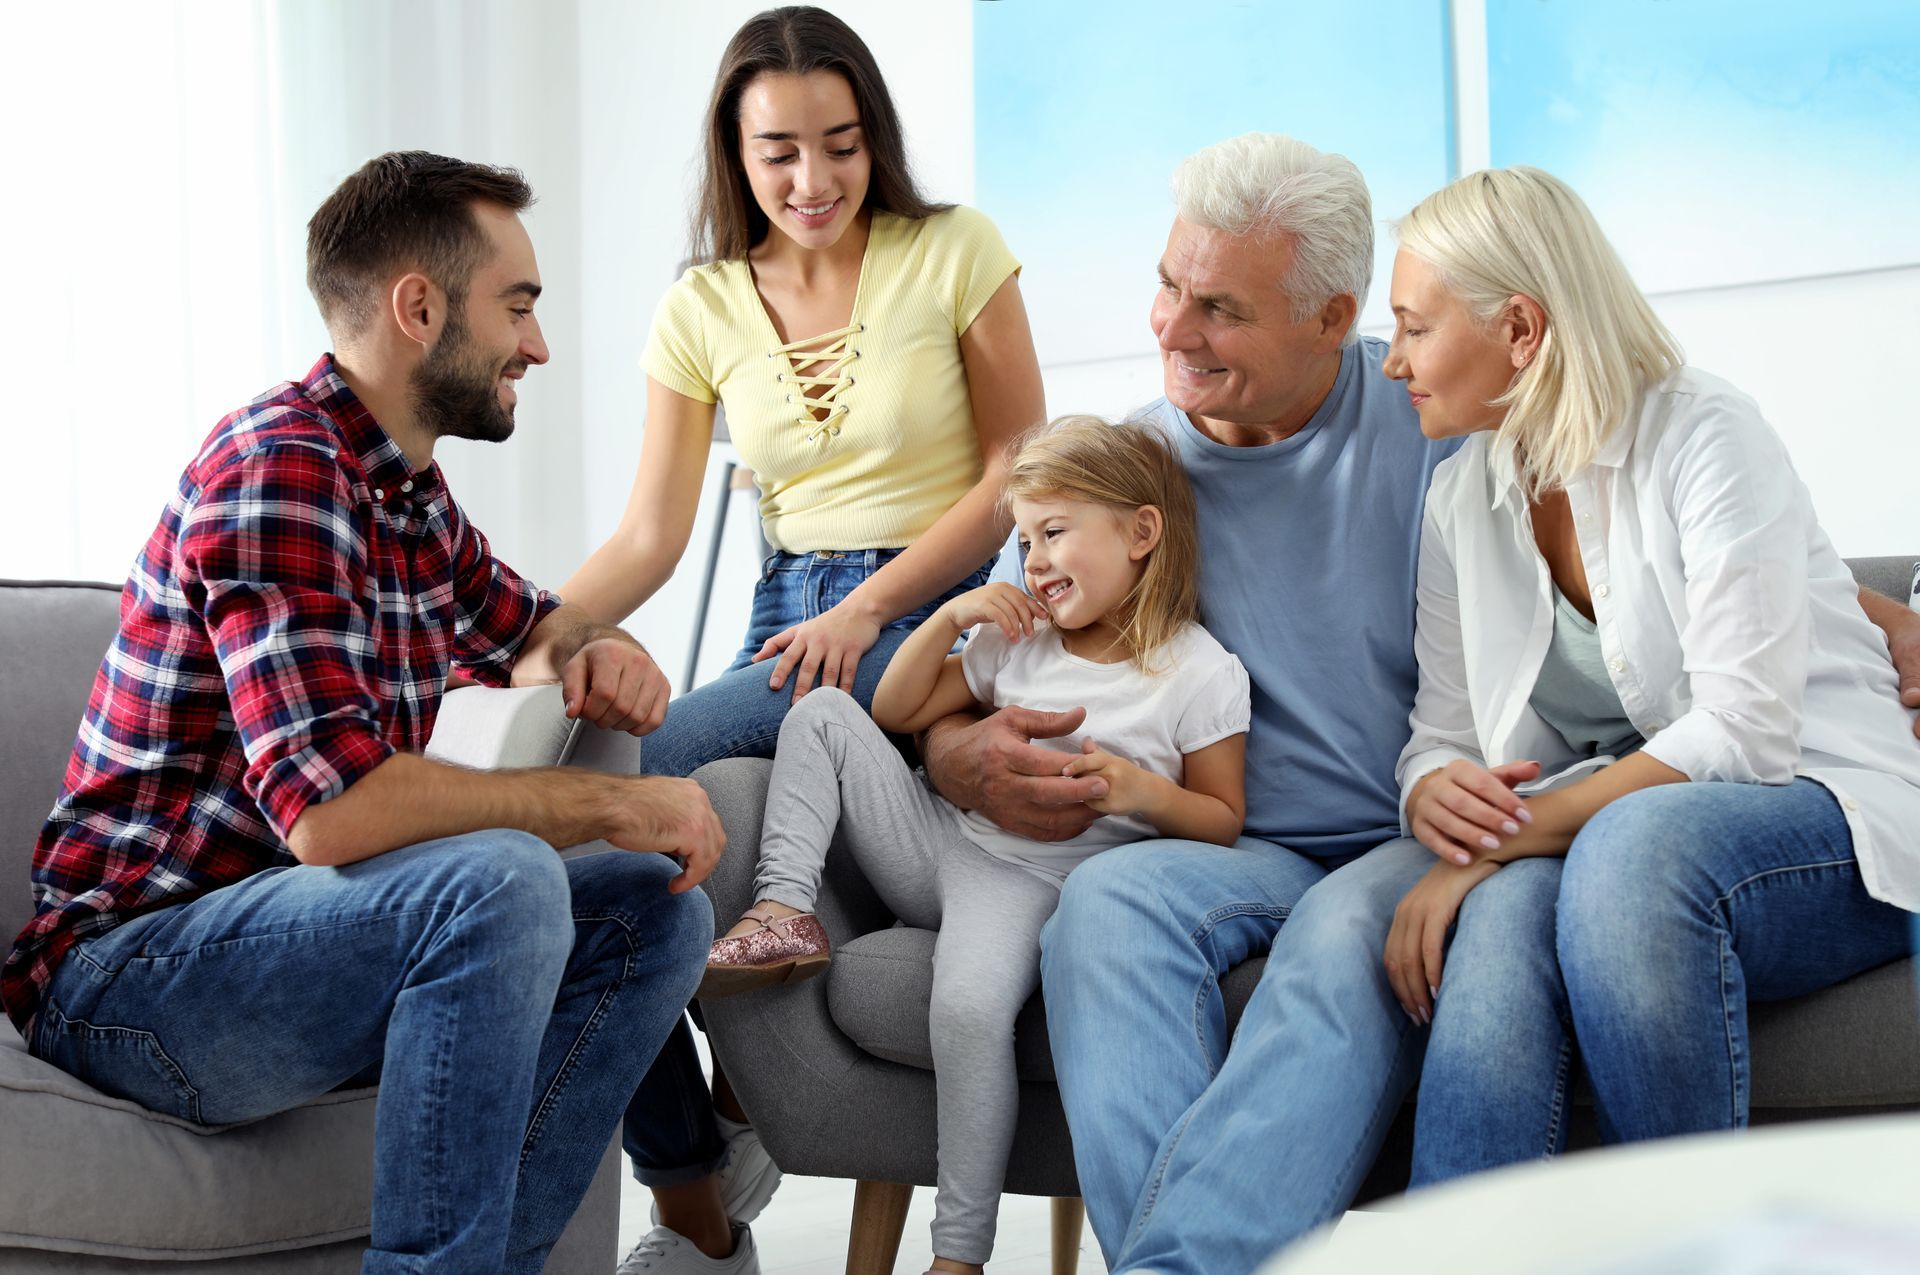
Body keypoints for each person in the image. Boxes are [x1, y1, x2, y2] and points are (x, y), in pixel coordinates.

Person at [918, 133, 1920, 1275]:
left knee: (1362, 943)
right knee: (1103, 912)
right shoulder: (1143, 471)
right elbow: (992, 643)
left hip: (1428, 839)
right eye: (1166, 285)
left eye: (1220, 308)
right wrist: (952, 752)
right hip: (1237, 832)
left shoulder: (1452, 422)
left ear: (1332, 316)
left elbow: (1725, 627)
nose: (1170, 330)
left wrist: (1889, 612)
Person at [0, 152, 726, 1274]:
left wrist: (604, 649)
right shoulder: (277, 470)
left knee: (654, 916)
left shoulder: (407, 494)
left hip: (288, 939)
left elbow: (532, 623)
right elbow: (330, 816)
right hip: (128, 980)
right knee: (503, 879)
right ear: (419, 306)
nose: (536, 346)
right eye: (519, 307)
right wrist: (609, 803)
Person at [567, 11, 1044, 1270]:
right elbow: (650, 535)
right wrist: (522, 640)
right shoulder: (701, 304)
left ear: (873, 138)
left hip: (930, 610)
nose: (814, 181)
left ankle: (699, 1194)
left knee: (613, 799)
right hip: (787, 617)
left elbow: (1017, 467)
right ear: (734, 149)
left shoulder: (955, 251)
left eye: (840, 145)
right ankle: (698, 1174)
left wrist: (876, 607)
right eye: (779, 152)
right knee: (585, 835)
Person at [1380, 166, 1920, 1181]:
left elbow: (1746, 729)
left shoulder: (1706, 431)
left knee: (1630, 857)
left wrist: (1509, 838)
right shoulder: (1462, 499)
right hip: (1627, 832)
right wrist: (1433, 798)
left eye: (1412, 327)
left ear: (1522, 331)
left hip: (1832, 811)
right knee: (1498, 932)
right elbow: (1443, 734)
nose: (1392, 360)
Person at [703, 415, 1249, 1275]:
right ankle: (784, 906)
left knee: (965, 1013)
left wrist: (1144, 792)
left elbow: (1223, 816)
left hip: (1029, 885)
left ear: (1142, 532)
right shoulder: (1013, 639)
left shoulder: (1197, 671)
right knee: (822, 715)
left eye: (1054, 532)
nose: (1032, 560)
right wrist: (955, 613)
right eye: (1025, 538)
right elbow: (896, 712)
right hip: (940, 845)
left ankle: (957, 1255)